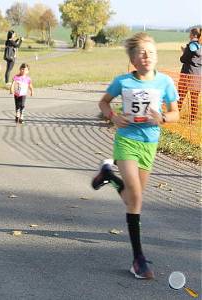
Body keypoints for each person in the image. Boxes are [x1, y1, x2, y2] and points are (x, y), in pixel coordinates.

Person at [92, 32, 179, 280]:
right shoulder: (123, 82)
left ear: (156, 56)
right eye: (141, 52)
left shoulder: (165, 82)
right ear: (132, 58)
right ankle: (138, 259)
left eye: (151, 52)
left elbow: (176, 114)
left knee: (132, 199)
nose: (147, 57)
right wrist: (113, 116)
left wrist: (162, 118)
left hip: (149, 145)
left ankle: (109, 175)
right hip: (127, 142)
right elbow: (104, 103)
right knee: (137, 199)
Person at [178, 27, 202, 123]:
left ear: (193, 35)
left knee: (180, 97)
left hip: (187, 75)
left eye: (190, 33)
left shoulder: (191, 45)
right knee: (194, 99)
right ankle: (192, 120)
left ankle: (174, 115)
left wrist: (184, 51)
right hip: (198, 76)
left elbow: (183, 59)